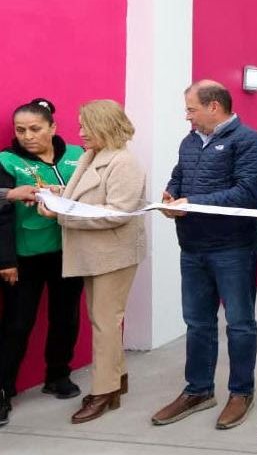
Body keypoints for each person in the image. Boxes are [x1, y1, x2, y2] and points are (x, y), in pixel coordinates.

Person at [151, 80, 257, 430]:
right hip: (192, 247)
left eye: (191, 109)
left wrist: (192, 203)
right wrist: (171, 195)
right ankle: (199, 390)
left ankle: (241, 392)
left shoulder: (249, 141)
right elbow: (178, 177)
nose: (187, 116)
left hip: (233, 248)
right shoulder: (189, 142)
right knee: (198, 323)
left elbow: (246, 193)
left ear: (214, 106)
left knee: (240, 323)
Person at [37, 100, 146, 423]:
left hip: (113, 255)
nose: (81, 132)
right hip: (95, 254)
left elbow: (118, 212)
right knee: (103, 321)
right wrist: (56, 195)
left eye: (87, 125)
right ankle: (117, 381)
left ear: (105, 126)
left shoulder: (124, 162)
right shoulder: (93, 155)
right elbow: (85, 196)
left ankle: (104, 391)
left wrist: (61, 214)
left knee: (105, 323)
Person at [0, 98, 85, 426]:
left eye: (35, 129)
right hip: (24, 258)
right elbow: (2, 216)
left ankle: (58, 375)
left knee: (66, 317)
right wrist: (6, 260)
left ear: (53, 127)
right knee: (17, 324)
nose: (27, 136)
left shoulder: (78, 155)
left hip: (69, 252)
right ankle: (4, 389)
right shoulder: (7, 161)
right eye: (20, 130)